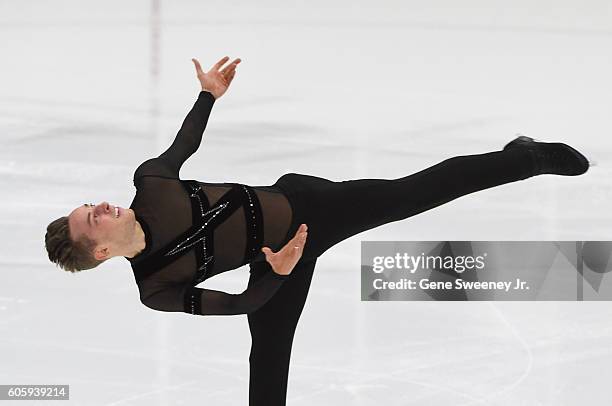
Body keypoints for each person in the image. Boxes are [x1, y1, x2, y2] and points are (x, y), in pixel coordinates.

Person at [44, 55, 591, 406]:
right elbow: (236, 306)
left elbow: (185, 144)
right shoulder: (156, 289)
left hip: (306, 205)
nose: (103, 205)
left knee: (409, 195)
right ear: (99, 250)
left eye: (93, 203)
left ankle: (523, 158)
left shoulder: (151, 181)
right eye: (93, 216)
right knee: (268, 361)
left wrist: (208, 94)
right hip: (274, 267)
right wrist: (275, 274)